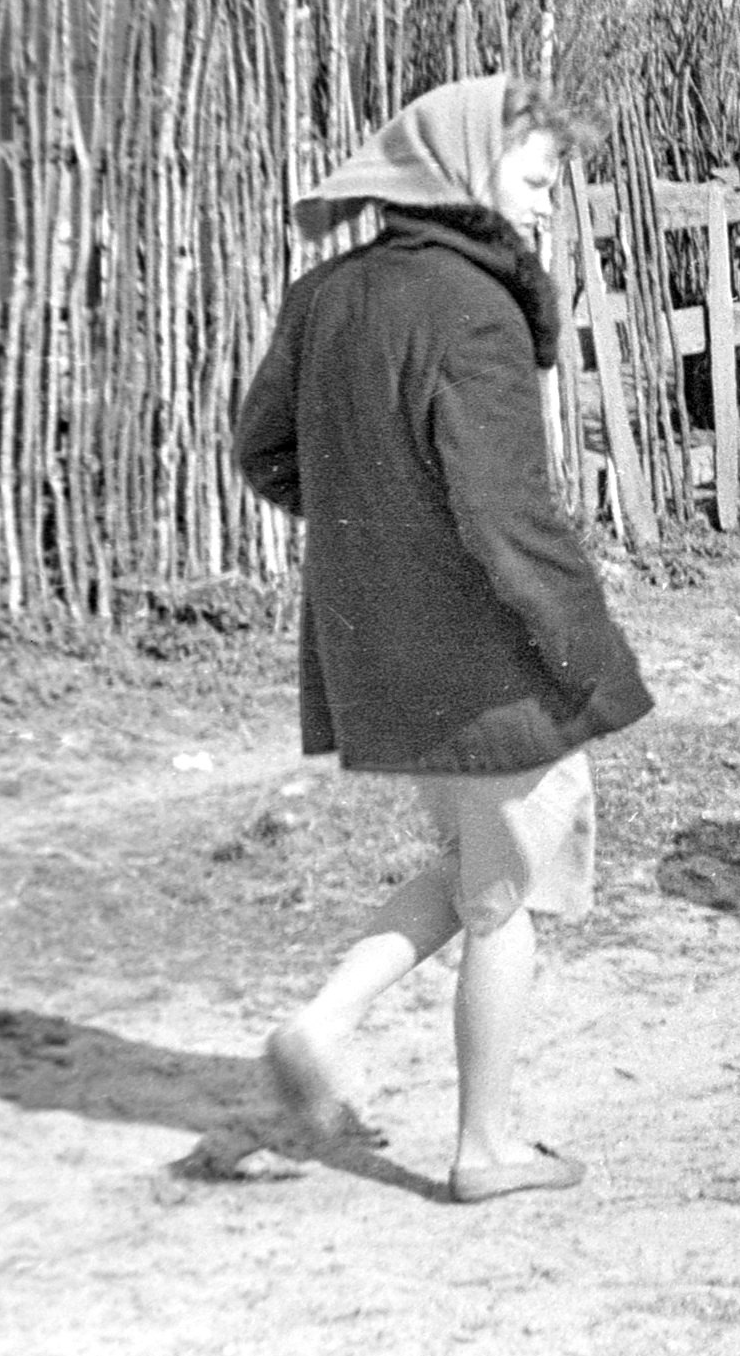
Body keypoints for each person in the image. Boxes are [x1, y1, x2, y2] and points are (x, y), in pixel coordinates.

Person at [235, 75, 652, 1200]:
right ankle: (484, 1148)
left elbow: (265, 451)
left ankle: (324, 1020)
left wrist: (380, 532)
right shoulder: (474, 307)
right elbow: (507, 516)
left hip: (383, 642)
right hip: (486, 655)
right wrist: (590, 655)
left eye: (555, 182)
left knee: (475, 865)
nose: (547, 203)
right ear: (464, 167)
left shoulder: (326, 293)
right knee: (504, 902)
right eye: (531, 177)